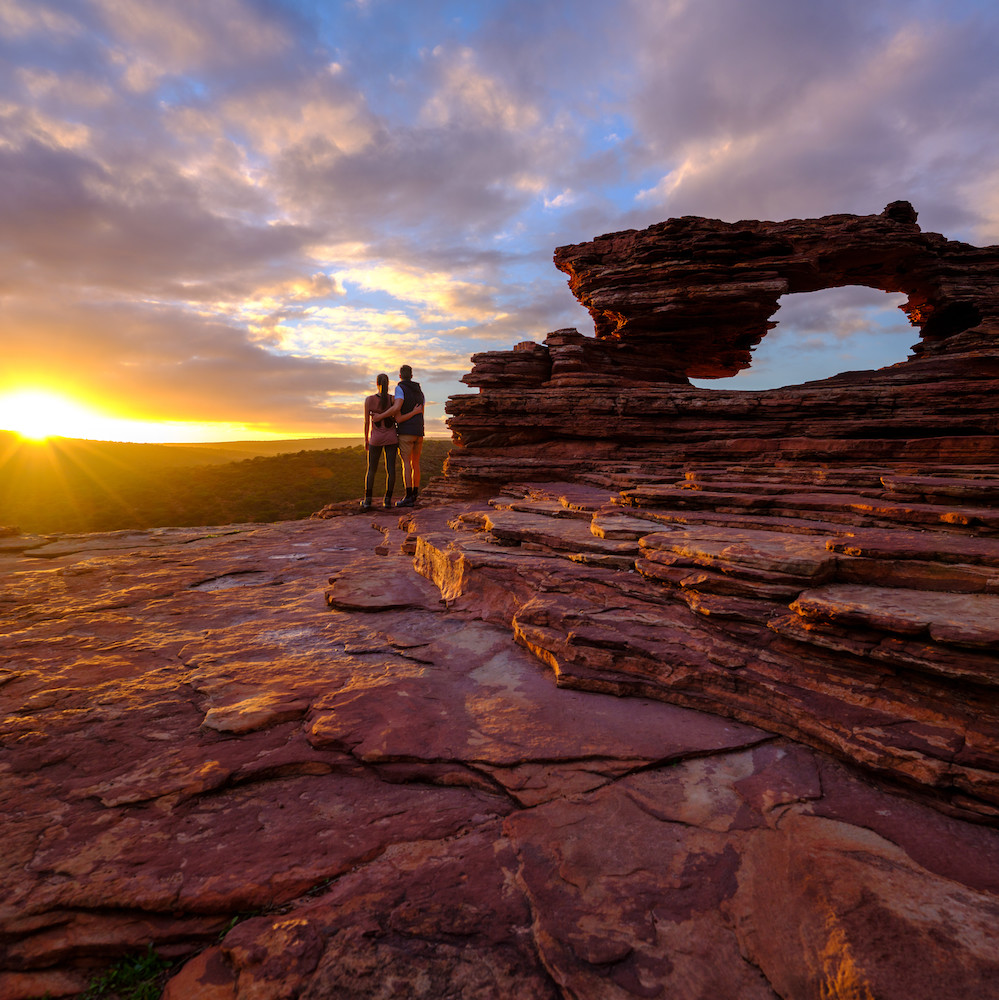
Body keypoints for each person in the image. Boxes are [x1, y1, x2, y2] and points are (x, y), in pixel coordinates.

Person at [369, 364, 425, 507]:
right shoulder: (420, 391)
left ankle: (408, 496)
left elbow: (397, 410)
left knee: (406, 464)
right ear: (412, 376)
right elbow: (421, 412)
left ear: (400, 376)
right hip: (419, 432)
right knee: (416, 463)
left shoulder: (400, 388)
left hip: (406, 432)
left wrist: (380, 416)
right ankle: (415, 494)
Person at [361, 373, 398, 510]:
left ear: (377, 384)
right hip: (391, 438)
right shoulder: (393, 400)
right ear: (388, 384)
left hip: (375, 439)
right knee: (391, 469)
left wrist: (366, 439)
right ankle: (387, 500)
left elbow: (366, 422)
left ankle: (367, 501)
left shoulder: (369, 400)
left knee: (371, 469)